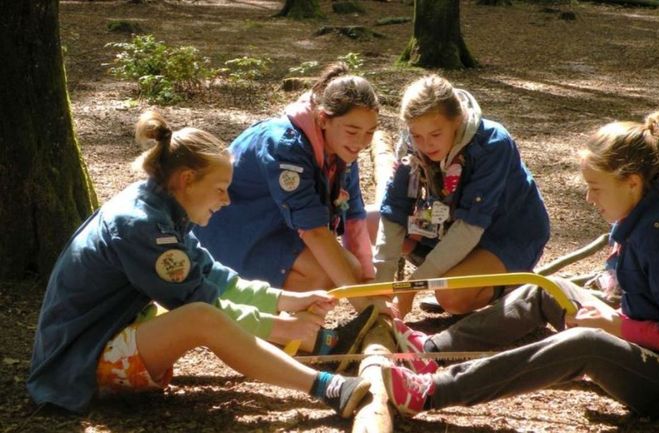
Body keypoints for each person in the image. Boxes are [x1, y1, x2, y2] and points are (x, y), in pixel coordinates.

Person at [382, 111, 659, 427]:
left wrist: (613, 325)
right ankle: (431, 351)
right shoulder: (651, 204)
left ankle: (430, 392)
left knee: (586, 344)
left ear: (632, 182)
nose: (589, 199)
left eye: (595, 188)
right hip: (644, 337)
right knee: (547, 288)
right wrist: (615, 317)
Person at [27, 111, 371, 418]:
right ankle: (326, 387)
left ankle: (328, 343)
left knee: (202, 311)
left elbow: (214, 277)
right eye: (221, 189)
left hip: (105, 337)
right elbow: (203, 306)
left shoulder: (162, 207)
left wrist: (289, 300)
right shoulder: (143, 227)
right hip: (79, 364)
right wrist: (281, 327)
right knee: (201, 317)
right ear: (187, 179)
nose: (226, 200)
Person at [194, 63, 391, 315]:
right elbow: (314, 232)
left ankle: (292, 326)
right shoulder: (285, 146)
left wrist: (368, 285)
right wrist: (365, 306)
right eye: (353, 131)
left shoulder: (342, 150)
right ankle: (259, 320)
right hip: (233, 234)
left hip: (273, 228)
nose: (362, 142)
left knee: (350, 268)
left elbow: (353, 217)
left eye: (370, 133)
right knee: (324, 271)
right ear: (323, 119)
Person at [373, 75, 550, 317]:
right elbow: (394, 207)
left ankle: (511, 286)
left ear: (457, 121)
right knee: (369, 224)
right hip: (445, 228)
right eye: (417, 135)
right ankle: (459, 277)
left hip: (505, 236)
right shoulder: (411, 143)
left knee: (451, 298)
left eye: (435, 134)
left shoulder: (492, 143)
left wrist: (412, 288)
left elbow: (471, 226)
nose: (426, 144)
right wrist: (381, 283)